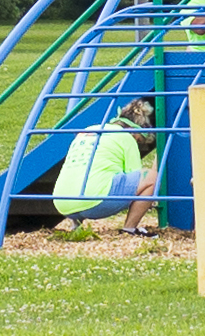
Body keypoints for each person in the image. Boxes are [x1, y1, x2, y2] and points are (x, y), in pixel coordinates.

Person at [20, 99, 159, 235]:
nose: (138, 143)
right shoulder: (126, 137)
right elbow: (134, 175)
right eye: (139, 140)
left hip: (62, 203)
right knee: (151, 178)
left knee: (86, 172)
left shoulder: (88, 130)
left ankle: (75, 225)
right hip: (95, 203)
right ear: (135, 130)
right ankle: (129, 229)